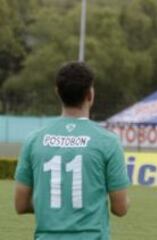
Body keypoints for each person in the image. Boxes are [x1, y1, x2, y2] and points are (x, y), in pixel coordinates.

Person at [14, 61, 130, 240]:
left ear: (57, 92)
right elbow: (120, 208)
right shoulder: (108, 141)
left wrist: (53, 207)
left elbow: (20, 205)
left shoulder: (34, 140)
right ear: (90, 94)